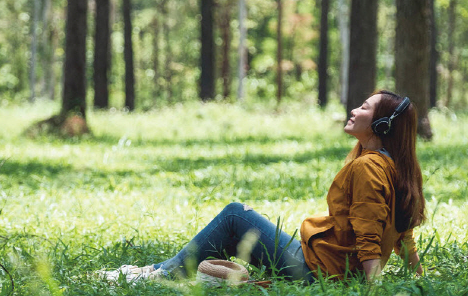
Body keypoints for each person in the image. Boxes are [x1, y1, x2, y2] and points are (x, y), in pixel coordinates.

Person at [102, 90, 426, 285]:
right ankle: (157, 270)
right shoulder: (390, 164)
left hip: (317, 271)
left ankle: (158, 274)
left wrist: (370, 290)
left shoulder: (369, 167)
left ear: (382, 125)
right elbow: (403, 231)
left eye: (365, 109)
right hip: (325, 264)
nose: (355, 110)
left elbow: (369, 232)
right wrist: (418, 277)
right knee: (241, 217)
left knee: (234, 215)